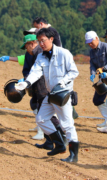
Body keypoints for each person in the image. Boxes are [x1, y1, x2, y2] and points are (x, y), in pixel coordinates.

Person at [16, 28, 79, 163]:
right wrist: (26, 83)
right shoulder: (41, 56)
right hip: (50, 94)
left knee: (67, 125)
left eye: (43, 41)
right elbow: (36, 72)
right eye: (39, 41)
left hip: (62, 94)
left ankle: (73, 155)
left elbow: (74, 72)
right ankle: (60, 144)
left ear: (51, 39)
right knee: (41, 119)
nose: (41, 44)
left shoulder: (64, 53)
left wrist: (63, 82)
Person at [20, 33, 67, 149]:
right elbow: (26, 70)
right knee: (42, 113)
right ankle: (49, 142)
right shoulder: (29, 54)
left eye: (26, 46)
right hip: (35, 89)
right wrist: (26, 80)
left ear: (32, 43)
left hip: (44, 89)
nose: (26, 49)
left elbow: (42, 73)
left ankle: (63, 135)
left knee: (48, 115)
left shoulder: (40, 54)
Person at [85, 31, 107, 129]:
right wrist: (92, 74)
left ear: (97, 38)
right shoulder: (92, 51)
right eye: (88, 43)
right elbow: (92, 64)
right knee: (97, 100)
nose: (90, 44)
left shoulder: (106, 47)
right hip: (102, 79)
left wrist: (103, 68)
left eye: (91, 42)